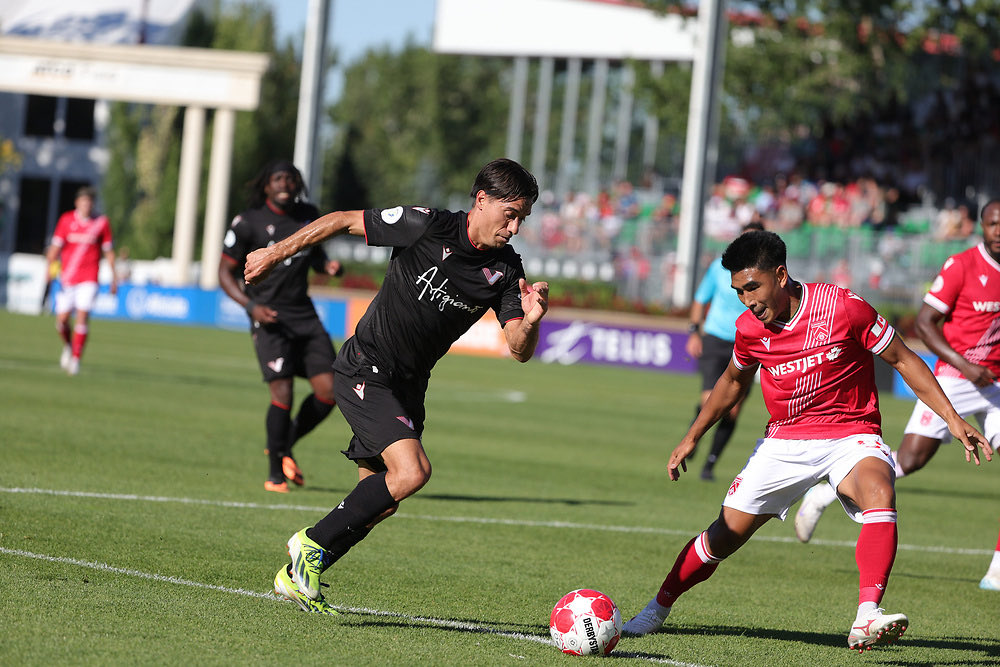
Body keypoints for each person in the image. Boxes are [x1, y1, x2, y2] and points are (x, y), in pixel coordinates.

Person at [622, 230, 991, 651]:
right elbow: (731, 382)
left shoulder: (844, 308)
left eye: (752, 288)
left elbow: (904, 359)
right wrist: (691, 437)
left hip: (851, 434)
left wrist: (953, 418)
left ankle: (866, 616)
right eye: (738, 291)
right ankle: (657, 607)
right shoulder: (749, 328)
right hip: (784, 442)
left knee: (879, 490)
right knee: (724, 535)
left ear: (780, 275)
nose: (746, 300)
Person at [243, 158, 549, 615]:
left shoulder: (506, 270)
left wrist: (532, 320)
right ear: (481, 200)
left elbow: (519, 348)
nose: (516, 226)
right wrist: (274, 253)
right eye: (511, 214)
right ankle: (308, 544)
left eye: (523, 217)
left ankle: (298, 576)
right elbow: (341, 220)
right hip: (367, 366)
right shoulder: (426, 225)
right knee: (413, 473)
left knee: (381, 501)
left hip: (410, 386)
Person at [794, 199, 1000, 591]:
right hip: (955, 378)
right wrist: (966, 365)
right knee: (910, 460)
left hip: (995, 386)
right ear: (982, 226)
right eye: (993, 223)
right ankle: (826, 492)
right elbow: (925, 323)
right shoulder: (962, 266)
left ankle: (997, 570)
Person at [219, 160, 343, 494]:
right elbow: (224, 273)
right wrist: (251, 307)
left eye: (290, 178)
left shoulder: (308, 214)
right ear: (266, 185)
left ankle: (283, 444)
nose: (284, 183)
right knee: (283, 392)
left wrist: (327, 265)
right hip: (269, 318)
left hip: (305, 316)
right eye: (277, 178)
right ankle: (275, 473)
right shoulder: (248, 222)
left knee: (330, 391)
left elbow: (313, 254)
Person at [686, 221, 763, 481]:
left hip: (748, 342)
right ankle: (693, 437)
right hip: (716, 339)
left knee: (733, 408)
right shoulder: (720, 268)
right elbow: (700, 299)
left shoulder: (765, 274)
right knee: (710, 399)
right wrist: (694, 332)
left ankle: (710, 463)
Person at [45, 186, 118, 376]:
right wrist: (49, 269)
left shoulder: (101, 223)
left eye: (90, 202)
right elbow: (55, 248)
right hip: (67, 278)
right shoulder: (66, 220)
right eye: (83, 201)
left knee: (82, 316)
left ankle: (76, 359)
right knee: (61, 320)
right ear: (77, 203)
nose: (87, 205)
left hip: (89, 277)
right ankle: (69, 346)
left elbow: (108, 251)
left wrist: (114, 277)